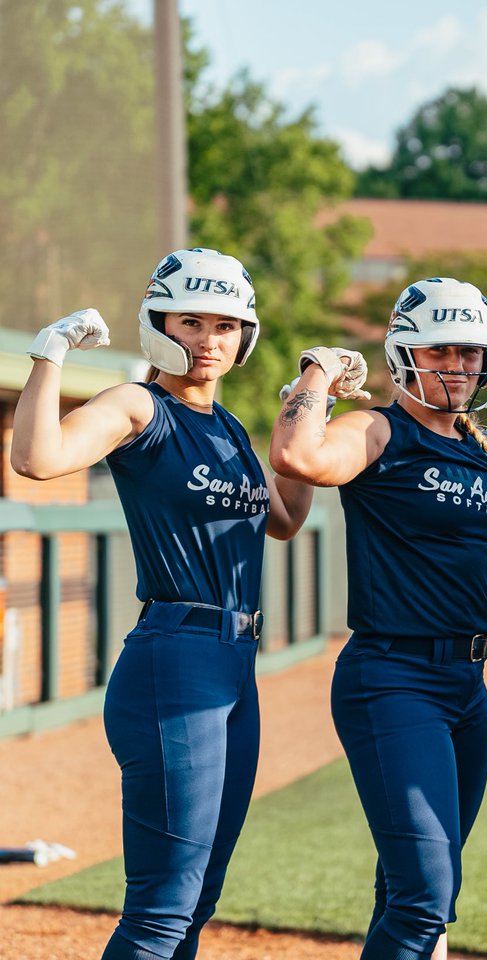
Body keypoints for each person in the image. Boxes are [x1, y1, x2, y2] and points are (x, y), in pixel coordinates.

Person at [10, 247, 320, 959]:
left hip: (236, 663)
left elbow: (286, 515)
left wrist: (310, 401)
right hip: (175, 659)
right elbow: (37, 459)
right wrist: (49, 354)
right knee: (161, 907)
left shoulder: (232, 427)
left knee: (198, 899)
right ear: (156, 323)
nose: (209, 341)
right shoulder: (137, 404)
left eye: (226, 325)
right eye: (191, 322)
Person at [269, 276, 487, 960]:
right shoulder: (377, 429)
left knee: (412, 888)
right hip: (393, 677)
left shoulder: (481, 446)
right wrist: (318, 374)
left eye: (471, 353)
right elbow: (297, 456)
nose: (460, 367)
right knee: (425, 900)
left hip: (468, 686)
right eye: (443, 351)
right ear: (406, 354)